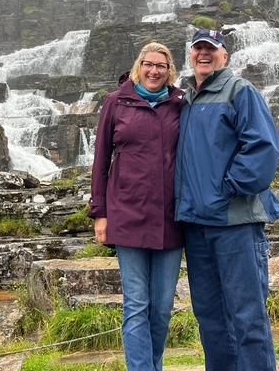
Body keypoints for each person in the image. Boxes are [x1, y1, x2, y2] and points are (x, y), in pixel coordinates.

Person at [174, 28, 279, 371]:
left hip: (234, 223)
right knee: (210, 316)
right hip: (196, 226)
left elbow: (263, 147)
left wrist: (228, 188)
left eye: (211, 49)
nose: (203, 54)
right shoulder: (186, 100)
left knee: (247, 316)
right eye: (198, 49)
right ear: (190, 55)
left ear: (225, 55)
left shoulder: (240, 90)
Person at [88, 42, 184, 371]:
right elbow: (100, 161)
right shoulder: (116, 102)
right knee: (136, 305)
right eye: (148, 64)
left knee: (160, 309)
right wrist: (99, 213)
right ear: (138, 66)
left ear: (169, 70)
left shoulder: (180, 104)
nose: (154, 70)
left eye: (161, 65)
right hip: (127, 215)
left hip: (170, 218)